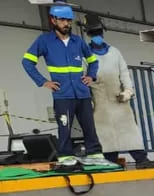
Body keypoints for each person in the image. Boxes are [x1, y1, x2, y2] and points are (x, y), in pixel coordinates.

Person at [21, 3, 116, 170]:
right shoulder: (44, 41)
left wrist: (90, 76)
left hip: (82, 93)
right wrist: (43, 82)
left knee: (89, 127)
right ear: (53, 20)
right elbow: (27, 62)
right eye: (63, 20)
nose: (66, 24)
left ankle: (95, 155)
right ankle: (65, 157)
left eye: (69, 20)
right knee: (64, 128)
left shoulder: (78, 41)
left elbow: (93, 61)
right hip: (62, 94)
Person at [81, 14, 154, 169]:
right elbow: (83, 78)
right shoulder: (85, 55)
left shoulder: (114, 52)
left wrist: (128, 90)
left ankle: (141, 160)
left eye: (99, 33)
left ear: (103, 33)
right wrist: (88, 100)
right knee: (105, 133)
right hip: (99, 99)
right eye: (93, 34)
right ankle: (111, 162)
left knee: (129, 129)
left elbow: (124, 72)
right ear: (89, 35)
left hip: (118, 97)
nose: (97, 37)